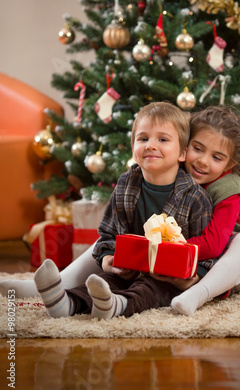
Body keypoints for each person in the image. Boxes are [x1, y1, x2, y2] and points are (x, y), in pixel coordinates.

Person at [32, 102, 213, 320]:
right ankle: (67, 303)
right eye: (143, 138)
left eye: (162, 139)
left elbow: (207, 252)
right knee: (103, 281)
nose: (151, 145)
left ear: (183, 153)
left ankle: (119, 305)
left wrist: (193, 277)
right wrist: (108, 259)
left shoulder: (195, 197)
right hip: (130, 269)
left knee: (149, 288)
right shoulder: (127, 183)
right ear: (134, 148)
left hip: (169, 279)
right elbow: (108, 234)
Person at [171, 105, 240, 315]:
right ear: (185, 144)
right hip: (198, 256)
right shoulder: (176, 172)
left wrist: (168, 249)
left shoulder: (229, 189)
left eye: (216, 158)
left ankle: (197, 294)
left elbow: (213, 244)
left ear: (230, 164)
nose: (202, 161)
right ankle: (84, 286)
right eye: (197, 148)